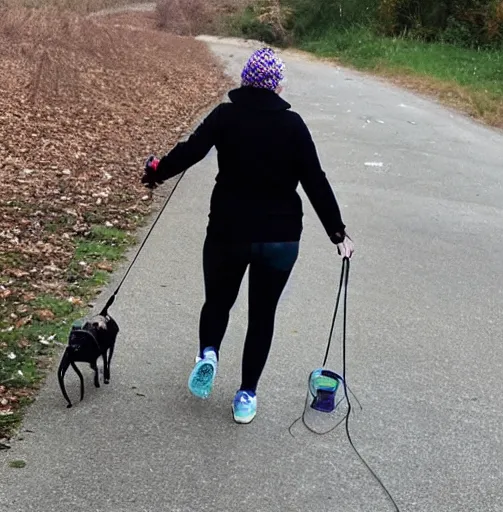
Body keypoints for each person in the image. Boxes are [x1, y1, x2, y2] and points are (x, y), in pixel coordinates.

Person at [141, 47, 354, 425]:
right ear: (276, 85)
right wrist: (337, 233)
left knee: (218, 303)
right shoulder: (294, 126)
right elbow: (315, 181)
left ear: (245, 80)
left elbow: (190, 152)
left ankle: (208, 354)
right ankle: (246, 396)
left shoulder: (226, 115)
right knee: (262, 316)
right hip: (280, 238)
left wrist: (157, 171)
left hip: (228, 231)